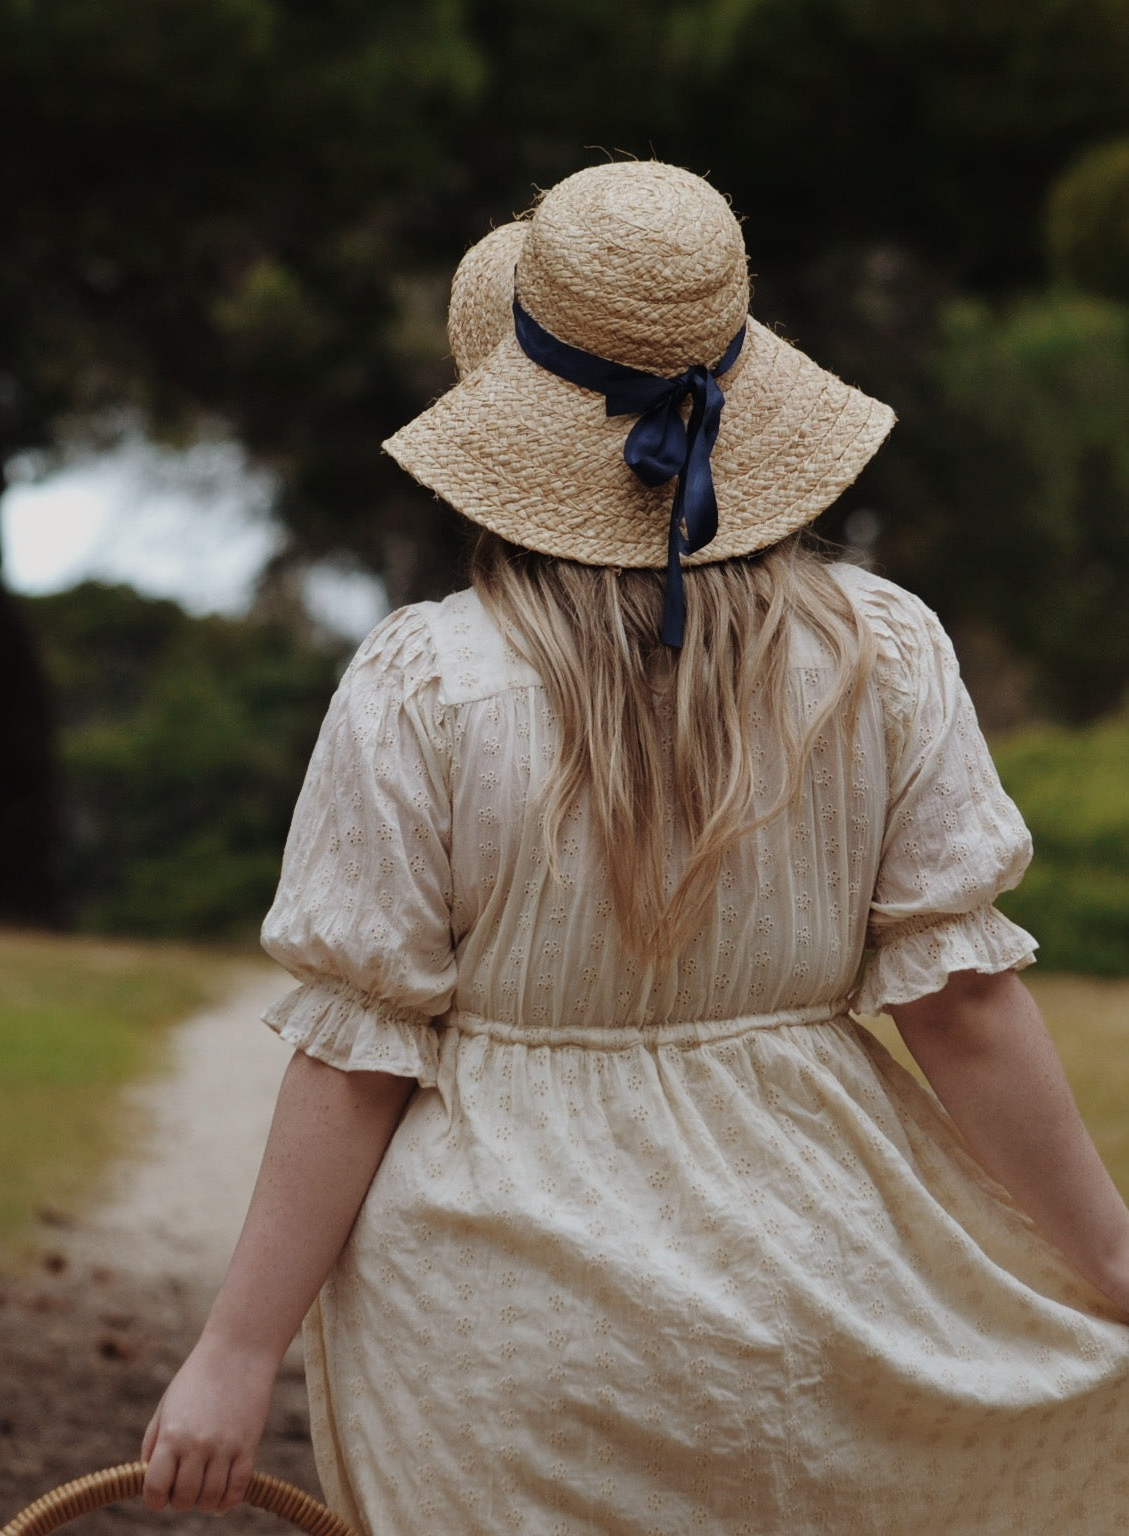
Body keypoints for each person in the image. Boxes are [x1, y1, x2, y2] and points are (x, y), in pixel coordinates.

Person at [141, 162, 1129, 1535]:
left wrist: (235, 1354)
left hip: (494, 1318)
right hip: (812, 1277)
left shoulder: (423, 684)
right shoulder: (880, 654)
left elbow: (356, 1058)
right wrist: (1115, 1261)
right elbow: (961, 1006)